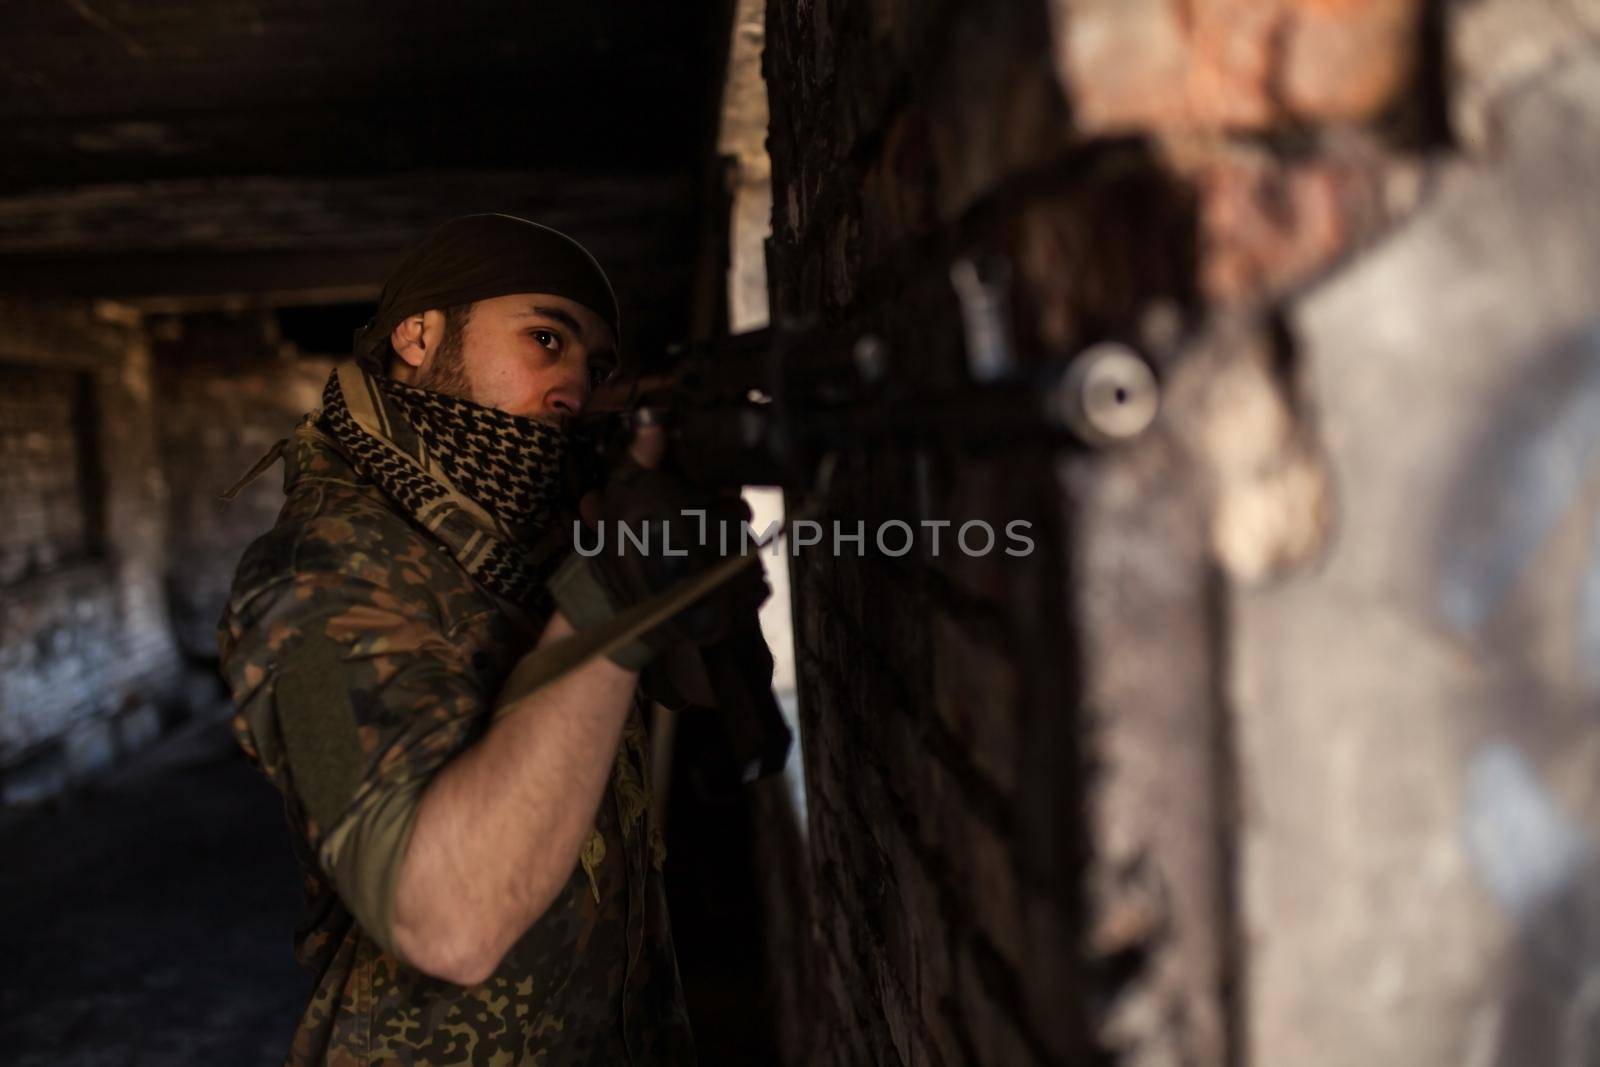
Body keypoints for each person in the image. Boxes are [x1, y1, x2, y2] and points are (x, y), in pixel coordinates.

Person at [218, 214, 745, 1064]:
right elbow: (446, 920)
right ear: (420, 336)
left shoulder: (521, 540)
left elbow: (700, 686)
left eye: (595, 365)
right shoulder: (302, 583)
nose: (574, 386)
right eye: (546, 338)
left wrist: (690, 540)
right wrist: (613, 584)